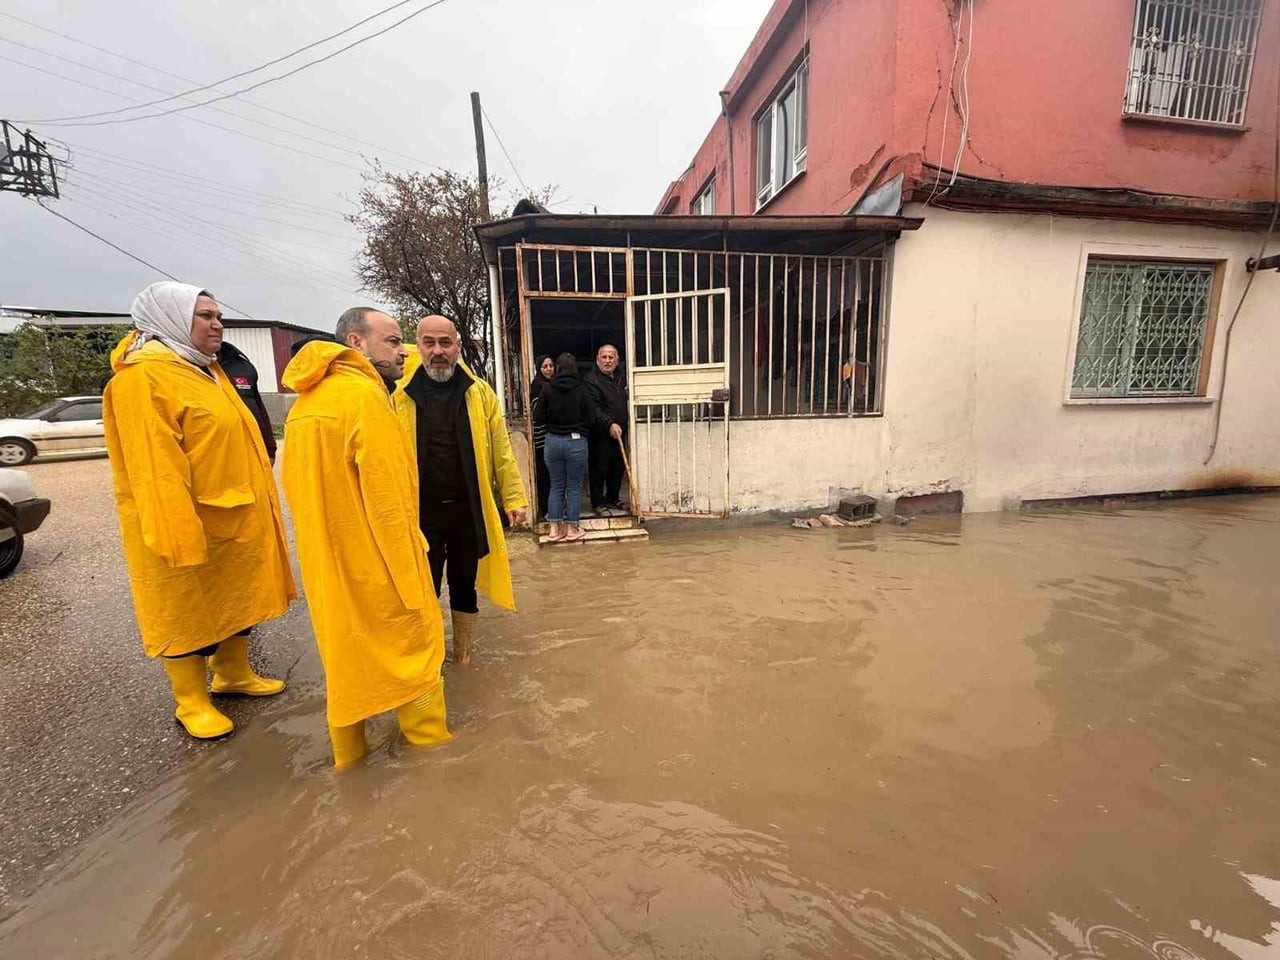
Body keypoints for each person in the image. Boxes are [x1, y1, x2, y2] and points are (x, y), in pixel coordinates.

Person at [103, 282, 295, 740]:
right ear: (168, 319)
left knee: (237, 596)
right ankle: (191, 701)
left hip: (233, 513)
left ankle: (232, 673)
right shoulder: (143, 378)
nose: (217, 324)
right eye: (204, 316)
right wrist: (176, 534)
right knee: (185, 607)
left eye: (217, 315)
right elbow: (153, 468)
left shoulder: (206, 370)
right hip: (186, 521)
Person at [281, 306, 449, 768]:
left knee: (347, 664)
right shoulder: (363, 400)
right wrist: (414, 583)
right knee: (412, 655)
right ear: (356, 343)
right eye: (394, 341)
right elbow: (390, 503)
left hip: (326, 564)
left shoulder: (307, 402)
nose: (405, 351)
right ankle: (437, 763)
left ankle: (350, 767)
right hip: (377, 562)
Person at [392, 315, 528, 665]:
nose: (438, 351)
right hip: (421, 513)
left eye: (445, 343)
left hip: (468, 509)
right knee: (424, 589)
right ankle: (429, 658)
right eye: (430, 343)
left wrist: (513, 498)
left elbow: (501, 449)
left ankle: (463, 655)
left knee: (464, 583)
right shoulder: (397, 395)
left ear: (457, 346)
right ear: (418, 345)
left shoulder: (479, 392)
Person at [535, 353, 594, 542]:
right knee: (574, 487)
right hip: (575, 441)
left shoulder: (547, 389)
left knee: (556, 485)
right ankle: (572, 529)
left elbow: (538, 417)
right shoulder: (582, 389)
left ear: (558, 368)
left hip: (552, 441)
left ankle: (554, 530)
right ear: (574, 369)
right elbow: (591, 417)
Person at [583, 343, 628, 516]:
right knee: (599, 468)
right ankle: (597, 501)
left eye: (611, 357)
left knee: (617, 467)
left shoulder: (621, 376)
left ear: (617, 360)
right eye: (604, 357)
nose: (607, 361)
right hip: (600, 432)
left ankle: (613, 498)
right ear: (597, 359)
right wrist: (609, 424)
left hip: (620, 432)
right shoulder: (591, 380)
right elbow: (594, 408)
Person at [217, 340, 276, 462]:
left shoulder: (241, 365)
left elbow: (257, 407)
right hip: (215, 456)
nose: (217, 325)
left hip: (251, 451)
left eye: (218, 319)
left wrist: (270, 448)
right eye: (206, 319)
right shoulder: (180, 368)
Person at [529, 355, 554, 520]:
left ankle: (553, 508)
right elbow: (537, 411)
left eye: (551, 366)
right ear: (539, 368)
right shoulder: (537, 386)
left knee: (554, 476)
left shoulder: (554, 384)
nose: (549, 369)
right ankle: (545, 509)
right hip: (541, 437)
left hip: (552, 436)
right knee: (544, 475)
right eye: (545, 366)